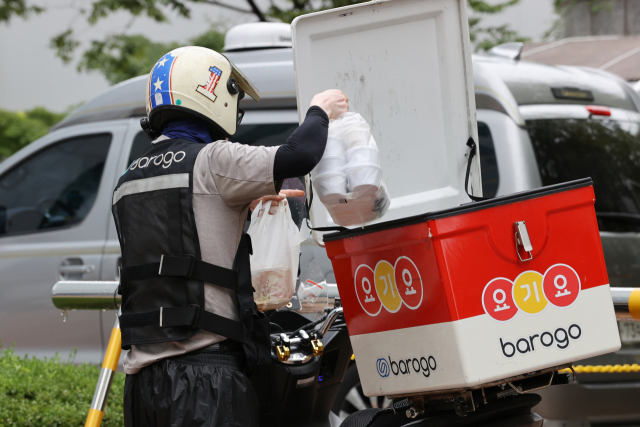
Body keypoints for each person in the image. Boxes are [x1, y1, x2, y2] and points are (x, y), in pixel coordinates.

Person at [112, 46, 348, 427]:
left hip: (143, 387)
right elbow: (298, 154)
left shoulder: (127, 181)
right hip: (206, 381)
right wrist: (320, 110)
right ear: (210, 92)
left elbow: (187, 235)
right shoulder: (212, 160)